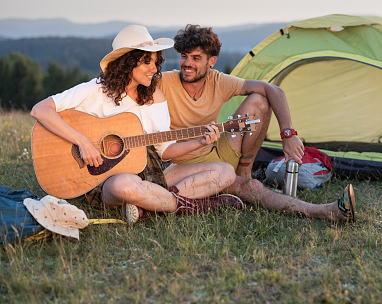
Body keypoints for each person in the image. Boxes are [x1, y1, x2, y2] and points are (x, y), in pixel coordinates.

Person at [31, 25, 244, 225]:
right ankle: (195, 206)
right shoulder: (95, 90)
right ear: (127, 62)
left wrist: (199, 142)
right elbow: (40, 109)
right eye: (146, 62)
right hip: (106, 180)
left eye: (155, 62)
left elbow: (166, 150)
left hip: (153, 173)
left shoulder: (155, 97)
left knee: (224, 172)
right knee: (124, 186)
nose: (154, 69)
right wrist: (83, 142)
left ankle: (150, 206)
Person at [158, 25, 356, 222]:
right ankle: (328, 212)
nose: (187, 63)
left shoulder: (218, 81)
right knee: (251, 188)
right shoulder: (164, 82)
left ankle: (244, 170)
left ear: (211, 62)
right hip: (185, 165)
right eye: (184, 56)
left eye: (196, 58)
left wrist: (288, 134)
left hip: (215, 152)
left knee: (259, 101)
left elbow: (274, 90)